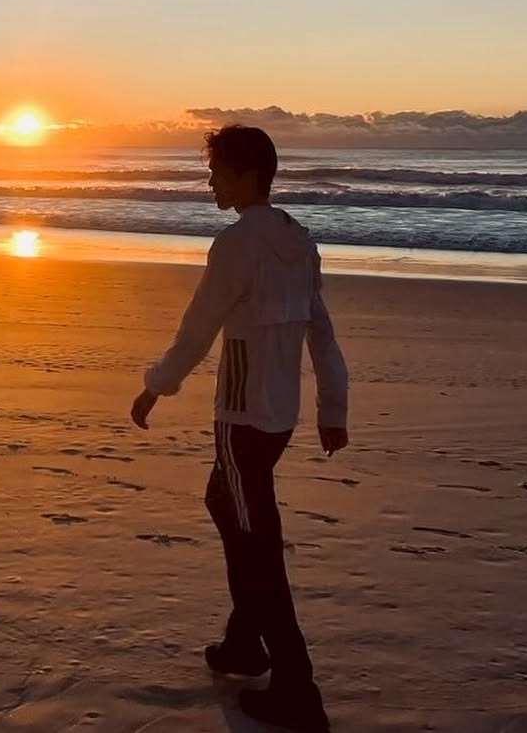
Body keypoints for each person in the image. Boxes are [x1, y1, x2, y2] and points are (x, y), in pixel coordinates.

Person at [131, 124, 349, 733]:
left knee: (256, 549)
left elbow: (196, 330)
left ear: (248, 176)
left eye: (218, 172)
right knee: (232, 508)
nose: (210, 182)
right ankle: (242, 644)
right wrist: (334, 409)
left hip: (240, 419)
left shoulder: (234, 246)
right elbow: (322, 334)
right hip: (279, 418)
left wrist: (155, 386)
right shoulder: (299, 241)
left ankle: (298, 689)